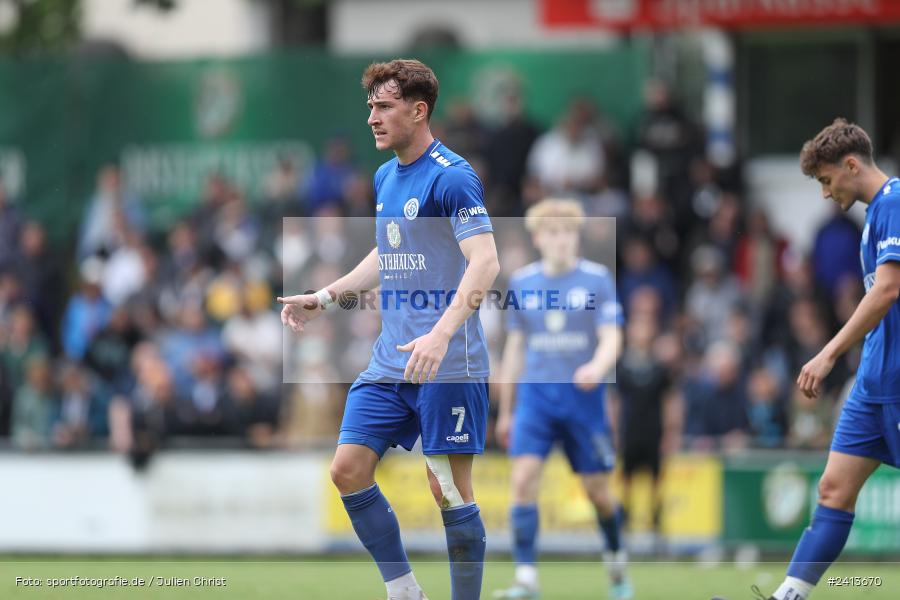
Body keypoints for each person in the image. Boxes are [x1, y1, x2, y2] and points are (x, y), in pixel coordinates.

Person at [278, 59, 499, 600]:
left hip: (446, 362)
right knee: (348, 470)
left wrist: (442, 332)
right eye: (371, 107)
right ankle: (404, 591)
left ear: (418, 110)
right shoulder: (384, 176)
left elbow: (486, 262)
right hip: (389, 360)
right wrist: (326, 297)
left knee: (445, 488)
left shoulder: (452, 175)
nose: (373, 118)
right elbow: (389, 252)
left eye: (384, 107)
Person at [719, 119, 900, 600]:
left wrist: (826, 353)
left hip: (898, 383)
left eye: (825, 180)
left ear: (852, 165)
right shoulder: (873, 216)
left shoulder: (896, 202)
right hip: (873, 384)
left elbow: (887, 290)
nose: (823, 193)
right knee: (832, 491)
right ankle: (789, 597)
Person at [494, 199, 630, 599]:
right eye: (552, 232)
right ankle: (526, 580)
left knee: (598, 493)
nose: (561, 240)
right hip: (535, 400)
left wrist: (598, 366)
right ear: (537, 238)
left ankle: (617, 565)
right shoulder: (522, 283)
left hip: (582, 402)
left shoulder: (597, 279)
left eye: (568, 232)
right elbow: (514, 349)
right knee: (522, 480)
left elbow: (612, 335)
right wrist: (506, 412)